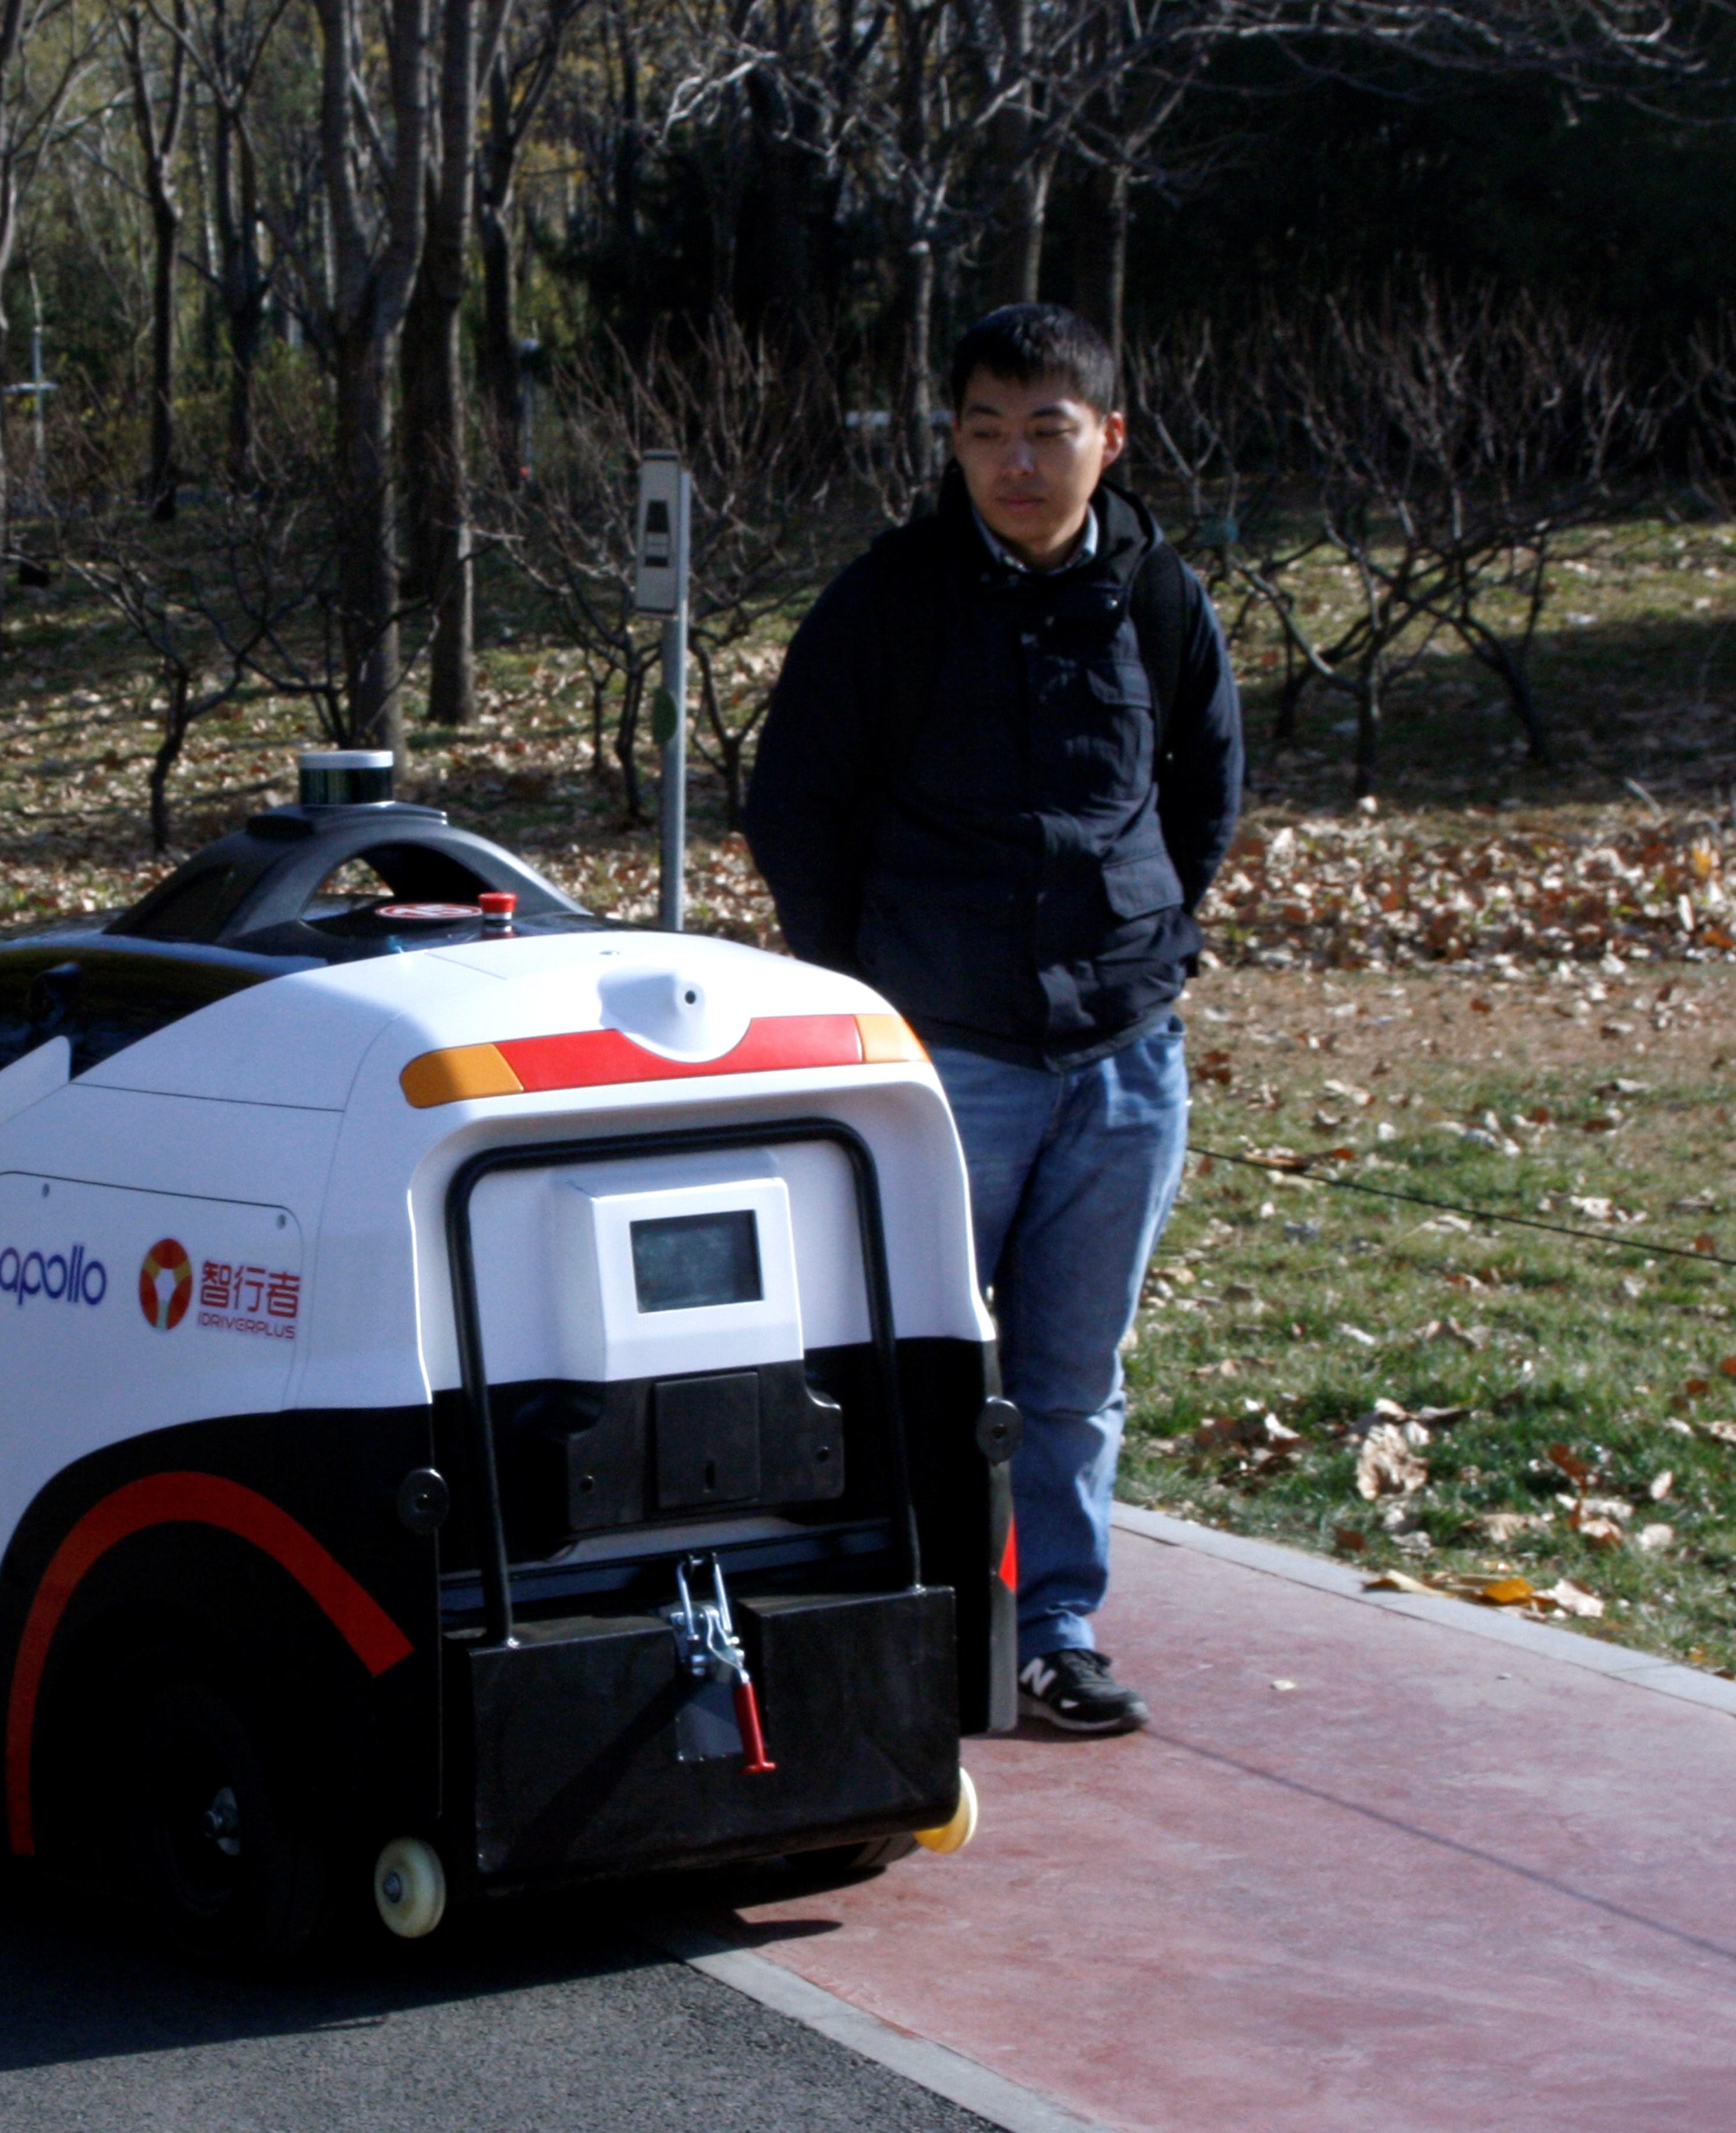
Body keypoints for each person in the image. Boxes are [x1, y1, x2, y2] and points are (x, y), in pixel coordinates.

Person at [744, 304, 1243, 1735]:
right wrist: (868, 987)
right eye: (984, 432)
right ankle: (903, 1617)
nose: (1015, 463)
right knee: (915, 1356)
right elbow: (799, 808)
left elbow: (1205, 790)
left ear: (1110, 439)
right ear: (952, 442)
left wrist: (1153, 935)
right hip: (943, 1055)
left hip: (1125, 1053)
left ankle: (1054, 1627)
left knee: (1074, 1378)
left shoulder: (1160, 599)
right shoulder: (887, 601)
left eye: (1047, 431)